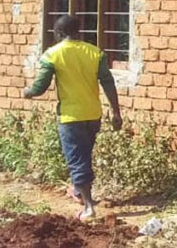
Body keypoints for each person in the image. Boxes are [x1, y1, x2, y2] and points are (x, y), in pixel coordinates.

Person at [22, 15, 123, 221]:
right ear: (79, 32)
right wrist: (116, 112)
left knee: (77, 161)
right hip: (93, 114)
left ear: (58, 34)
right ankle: (79, 191)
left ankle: (88, 208)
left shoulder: (53, 55)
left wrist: (28, 92)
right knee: (84, 155)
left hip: (70, 117)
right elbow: (108, 83)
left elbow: (41, 86)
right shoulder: (95, 53)